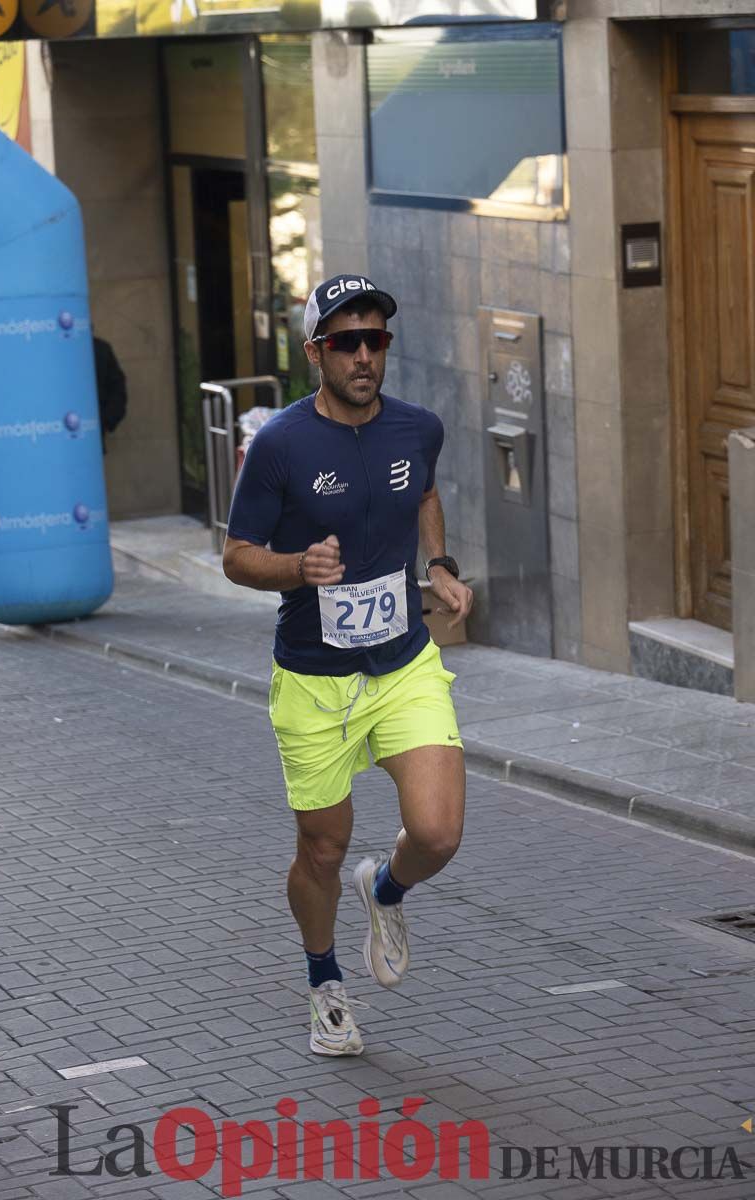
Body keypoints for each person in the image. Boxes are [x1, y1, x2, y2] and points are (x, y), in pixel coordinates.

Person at [223, 274, 473, 1056]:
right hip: (312, 677)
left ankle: (387, 888)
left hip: (402, 665)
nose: (365, 356)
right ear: (316, 354)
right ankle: (325, 981)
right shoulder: (281, 446)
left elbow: (423, 491)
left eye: (376, 341)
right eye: (346, 343)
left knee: (437, 832)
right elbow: (235, 556)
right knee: (323, 849)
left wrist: (438, 563)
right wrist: (298, 568)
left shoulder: (417, 428)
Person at [92, 334, 127, 453]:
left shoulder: (100, 349)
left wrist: (105, 421)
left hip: (92, 434)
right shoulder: (100, 349)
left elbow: (117, 391)